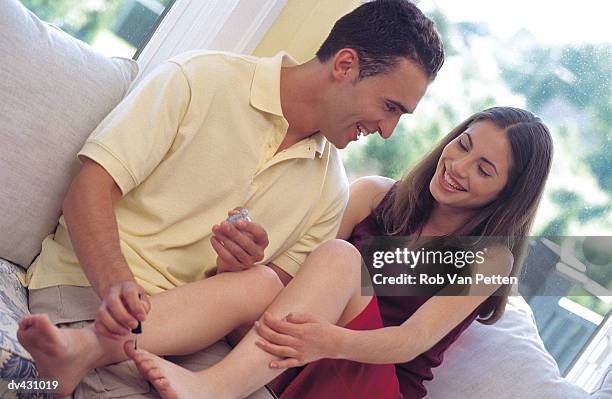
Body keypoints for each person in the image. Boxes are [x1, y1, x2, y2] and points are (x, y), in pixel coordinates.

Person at [21, 0, 443, 397]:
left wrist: (232, 273)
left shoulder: (331, 190)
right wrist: (115, 284)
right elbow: (88, 190)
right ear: (346, 64)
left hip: (197, 339)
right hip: (91, 292)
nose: (388, 130)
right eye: (389, 106)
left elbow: (253, 331)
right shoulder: (201, 79)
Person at [19, 107, 553, 398]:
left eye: (484, 169)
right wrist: (241, 265)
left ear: (507, 195)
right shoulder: (376, 196)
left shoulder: (486, 259)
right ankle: (87, 349)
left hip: (359, 381)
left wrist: (329, 338)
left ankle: (214, 390)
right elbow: (299, 279)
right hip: (289, 355)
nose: (458, 167)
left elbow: (406, 342)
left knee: (344, 259)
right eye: (463, 145)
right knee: (264, 280)